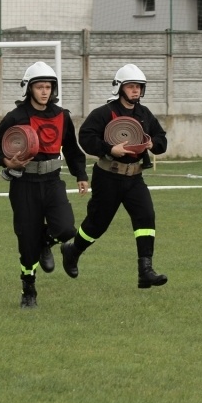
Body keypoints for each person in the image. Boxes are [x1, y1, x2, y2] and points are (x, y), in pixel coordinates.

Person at [0, 62, 89, 308]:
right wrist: (6, 160)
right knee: (26, 242)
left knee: (65, 229)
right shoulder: (16, 117)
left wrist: (81, 174)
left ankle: (46, 242)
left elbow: (72, 150)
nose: (44, 91)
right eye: (39, 87)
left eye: (48, 87)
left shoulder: (62, 115)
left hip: (53, 181)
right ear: (29, 88)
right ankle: (28, 289)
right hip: (24, 184)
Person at [60, 64, 169, 289]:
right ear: (119, 88)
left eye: (139, 87)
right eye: (131, 86)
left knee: (146, 217)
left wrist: (152, 143)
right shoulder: (103, 113)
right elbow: (86, 137)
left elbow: (161, 139)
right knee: (97, 225)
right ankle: (72, 250)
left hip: (135, 178)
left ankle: (145, 271)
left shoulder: (144, 114)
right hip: (107, 177)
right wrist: (110, 149)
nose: (136, 90)